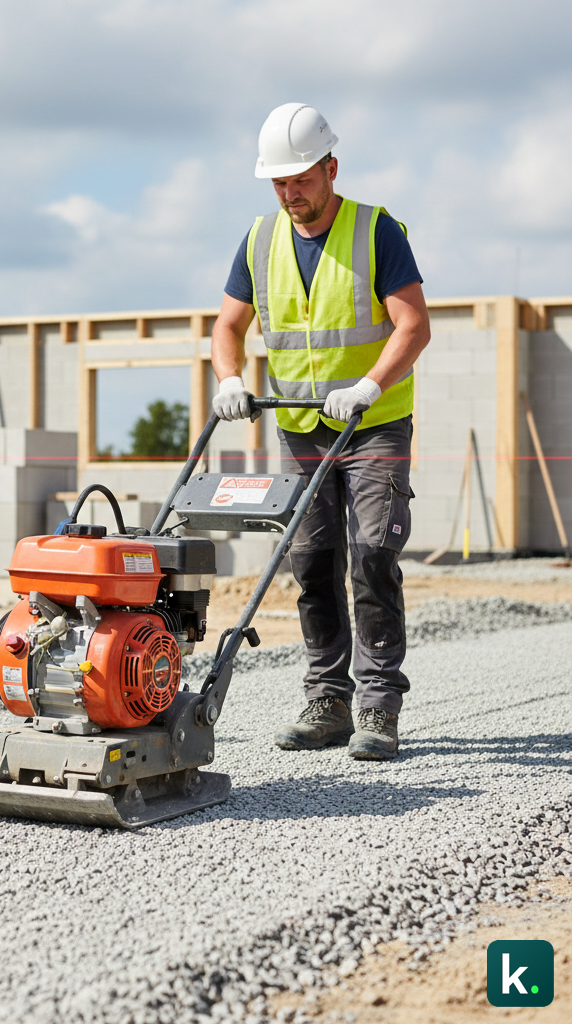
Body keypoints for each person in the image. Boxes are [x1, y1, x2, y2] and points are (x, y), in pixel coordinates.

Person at [210, 103, 431, 760]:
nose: (289, 194)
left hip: (373, 424)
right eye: (278, 183)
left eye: (301, 180)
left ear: (331, 169)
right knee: (310, 563)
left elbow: (414, 324)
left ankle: (378, 706)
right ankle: (328, 701)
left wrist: (370, 385)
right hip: (301, 429)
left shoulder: (376, 231)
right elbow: (228, 326)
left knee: (372, 556)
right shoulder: (259, 240)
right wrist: (229, 378)